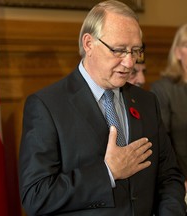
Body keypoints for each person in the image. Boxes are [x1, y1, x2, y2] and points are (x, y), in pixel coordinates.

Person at [19, 1, 186, 215]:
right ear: (89, 44)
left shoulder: (146, 102)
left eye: (135, 50)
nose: (129, 62)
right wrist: (107, 172)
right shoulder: (47, 106)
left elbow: (169, 176)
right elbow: (35, 196)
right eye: (119, 50)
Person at [151, 24, 187, 195]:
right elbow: (162, 144)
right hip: (180, 180)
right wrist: (180, 181)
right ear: (178, 52)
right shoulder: (162, 90)